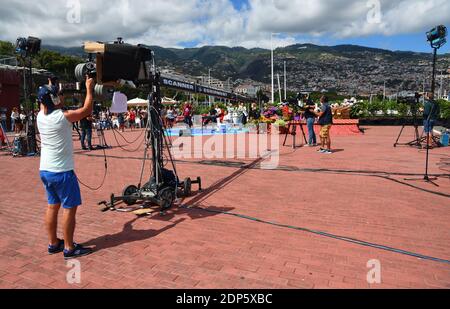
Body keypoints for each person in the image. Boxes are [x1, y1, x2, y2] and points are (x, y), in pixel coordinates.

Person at [37, 76, 95, 260]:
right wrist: (89, 88)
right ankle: (69, 248)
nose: (61, 97)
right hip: (62, 172)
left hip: (45, 170)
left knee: (52, 206)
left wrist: (50, 86)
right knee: (69, 208)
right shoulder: (63, 117)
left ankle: (53, 243)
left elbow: (44, 101)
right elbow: (87, 109)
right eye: (59, 95)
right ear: (54, 99)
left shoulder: (40, 115)